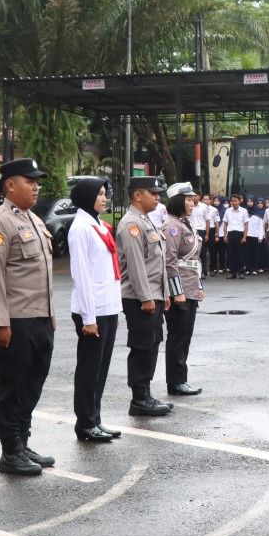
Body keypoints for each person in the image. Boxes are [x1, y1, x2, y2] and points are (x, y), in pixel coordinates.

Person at [0, 158, 58, 475]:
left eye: (37, 181)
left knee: (33, 383)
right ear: (10, 184)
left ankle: (22, 442)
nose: (36, 186)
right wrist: (0, 322)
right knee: (12, 385)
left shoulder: (33, 221)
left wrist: (51, 315)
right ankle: (10, 449)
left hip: (40, 317)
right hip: (15, 319)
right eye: (30, 180)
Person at [67, 177, 123, 442]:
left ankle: (95, 418)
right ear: (87, 197)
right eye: (99, 194)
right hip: (92, 311)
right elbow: (82, 276)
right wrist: (89, 318)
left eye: (105, 194)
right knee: (89, 369)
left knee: (101, 368)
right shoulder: (81, 228)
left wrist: (115, 309)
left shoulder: (98, 225)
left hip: (106, 307)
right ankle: (86, 422)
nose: (104, 198)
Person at [115, 175, 172, 416]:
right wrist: (146, 297)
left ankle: (145, 393)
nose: (158, 197)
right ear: (138, 195)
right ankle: (139, 397)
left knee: (152, 343)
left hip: (153, 295)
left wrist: (164, 293)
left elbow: (157, 261)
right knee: (141, 346)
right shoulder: (131, 224)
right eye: (153, 193)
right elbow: (137, 266)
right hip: (140, 298)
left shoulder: (146, 221)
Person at [161, 182, 206, 397]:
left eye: (192, 199)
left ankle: (181, 379)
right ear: (178, 201)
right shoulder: (172, 226)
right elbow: (170, 261)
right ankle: (176, 382)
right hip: (179, 291)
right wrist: (176, 292)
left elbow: (193, 261)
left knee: (185, 336)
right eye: (188, 200)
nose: (192, 203)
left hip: (190, 289)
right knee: (177, 337)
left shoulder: (185, 223)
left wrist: (198, 286)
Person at [222, 194, 248, 279]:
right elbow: (225, 224)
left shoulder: (244, 211)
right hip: (231, 234)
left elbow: (246, 224)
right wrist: (225, 235)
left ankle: (241, 272)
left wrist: (244, 237)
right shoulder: (228, 211)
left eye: (235, 201)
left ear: (239, 201)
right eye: (232, 201)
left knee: (240, 254)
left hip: (240, 234)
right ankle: (232, 272)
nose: (233, 202)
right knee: (231, 254)